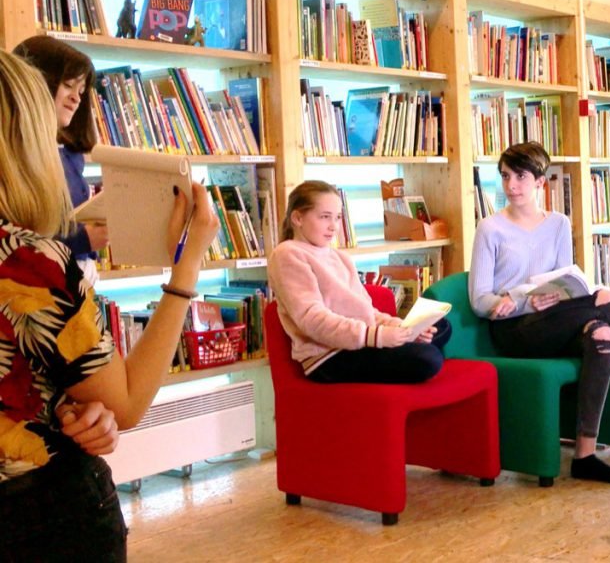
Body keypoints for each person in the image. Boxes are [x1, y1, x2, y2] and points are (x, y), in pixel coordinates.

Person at [0, 49, 219, 559]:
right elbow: (127, 403)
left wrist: (59, 400)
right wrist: (187, 264)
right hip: (40, 510)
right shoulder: (29, 261)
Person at [468, 141, 610, 485]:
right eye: (505, 176)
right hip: (514, 330)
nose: (511, 185)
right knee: (609, 299)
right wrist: (522, 301)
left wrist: (553, 297)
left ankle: (585, 456)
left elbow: (566, 284)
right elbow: (478, 300)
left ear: (540, 182)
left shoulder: (559, 224)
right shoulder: (490, 228)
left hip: (556, 320)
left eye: (520, 176)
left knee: (602, 333)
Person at [268, 180, 450, 384]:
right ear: (297, 218)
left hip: (362, 343)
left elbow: (367, 312)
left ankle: (413, 344)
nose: (333, 226)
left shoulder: (340, 257)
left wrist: (403, 329)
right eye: (324, 217)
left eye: (338, 217)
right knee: (429, 358)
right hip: (329, 356)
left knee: (441, 326)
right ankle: (417, 352)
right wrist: (377, 337)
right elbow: (312, 319)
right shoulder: (288, 254)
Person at [13, 35, 107, 285]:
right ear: (35, 83)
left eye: (81, 91)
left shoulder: (72, 155)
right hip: (37, 286)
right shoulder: (15, 157)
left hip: (79, 281)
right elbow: (19, 237)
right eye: (68, 85)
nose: (76, 98)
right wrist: (83, 239)